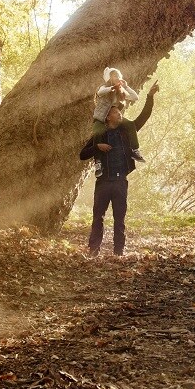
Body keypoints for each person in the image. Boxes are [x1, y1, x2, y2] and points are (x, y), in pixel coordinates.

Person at [79, 81, 159, 257]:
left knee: (119, 219)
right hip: (103, 183)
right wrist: (97, 147)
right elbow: (82, 155)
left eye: (119, 111)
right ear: (108, 117)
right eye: (116, 112)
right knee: (98, 217)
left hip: (120, 182)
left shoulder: (127, 131)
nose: (120, 113)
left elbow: (144, 116)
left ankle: (118, 252)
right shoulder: (99, 135)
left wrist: (150, 96)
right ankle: (93, 251)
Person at [93, 67, 145, 165]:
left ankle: (134, 150)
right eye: (114, 76)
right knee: (98, 135)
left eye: (118, 76)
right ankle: (98, 162)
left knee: (130, 124)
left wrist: (126, 87)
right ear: (109, 78)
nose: (117, 78)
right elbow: (100, 92)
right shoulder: (104, 87)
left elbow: (135, 97)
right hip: (101, 116)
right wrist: (112, 88)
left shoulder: (120, 90)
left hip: (113, 117)